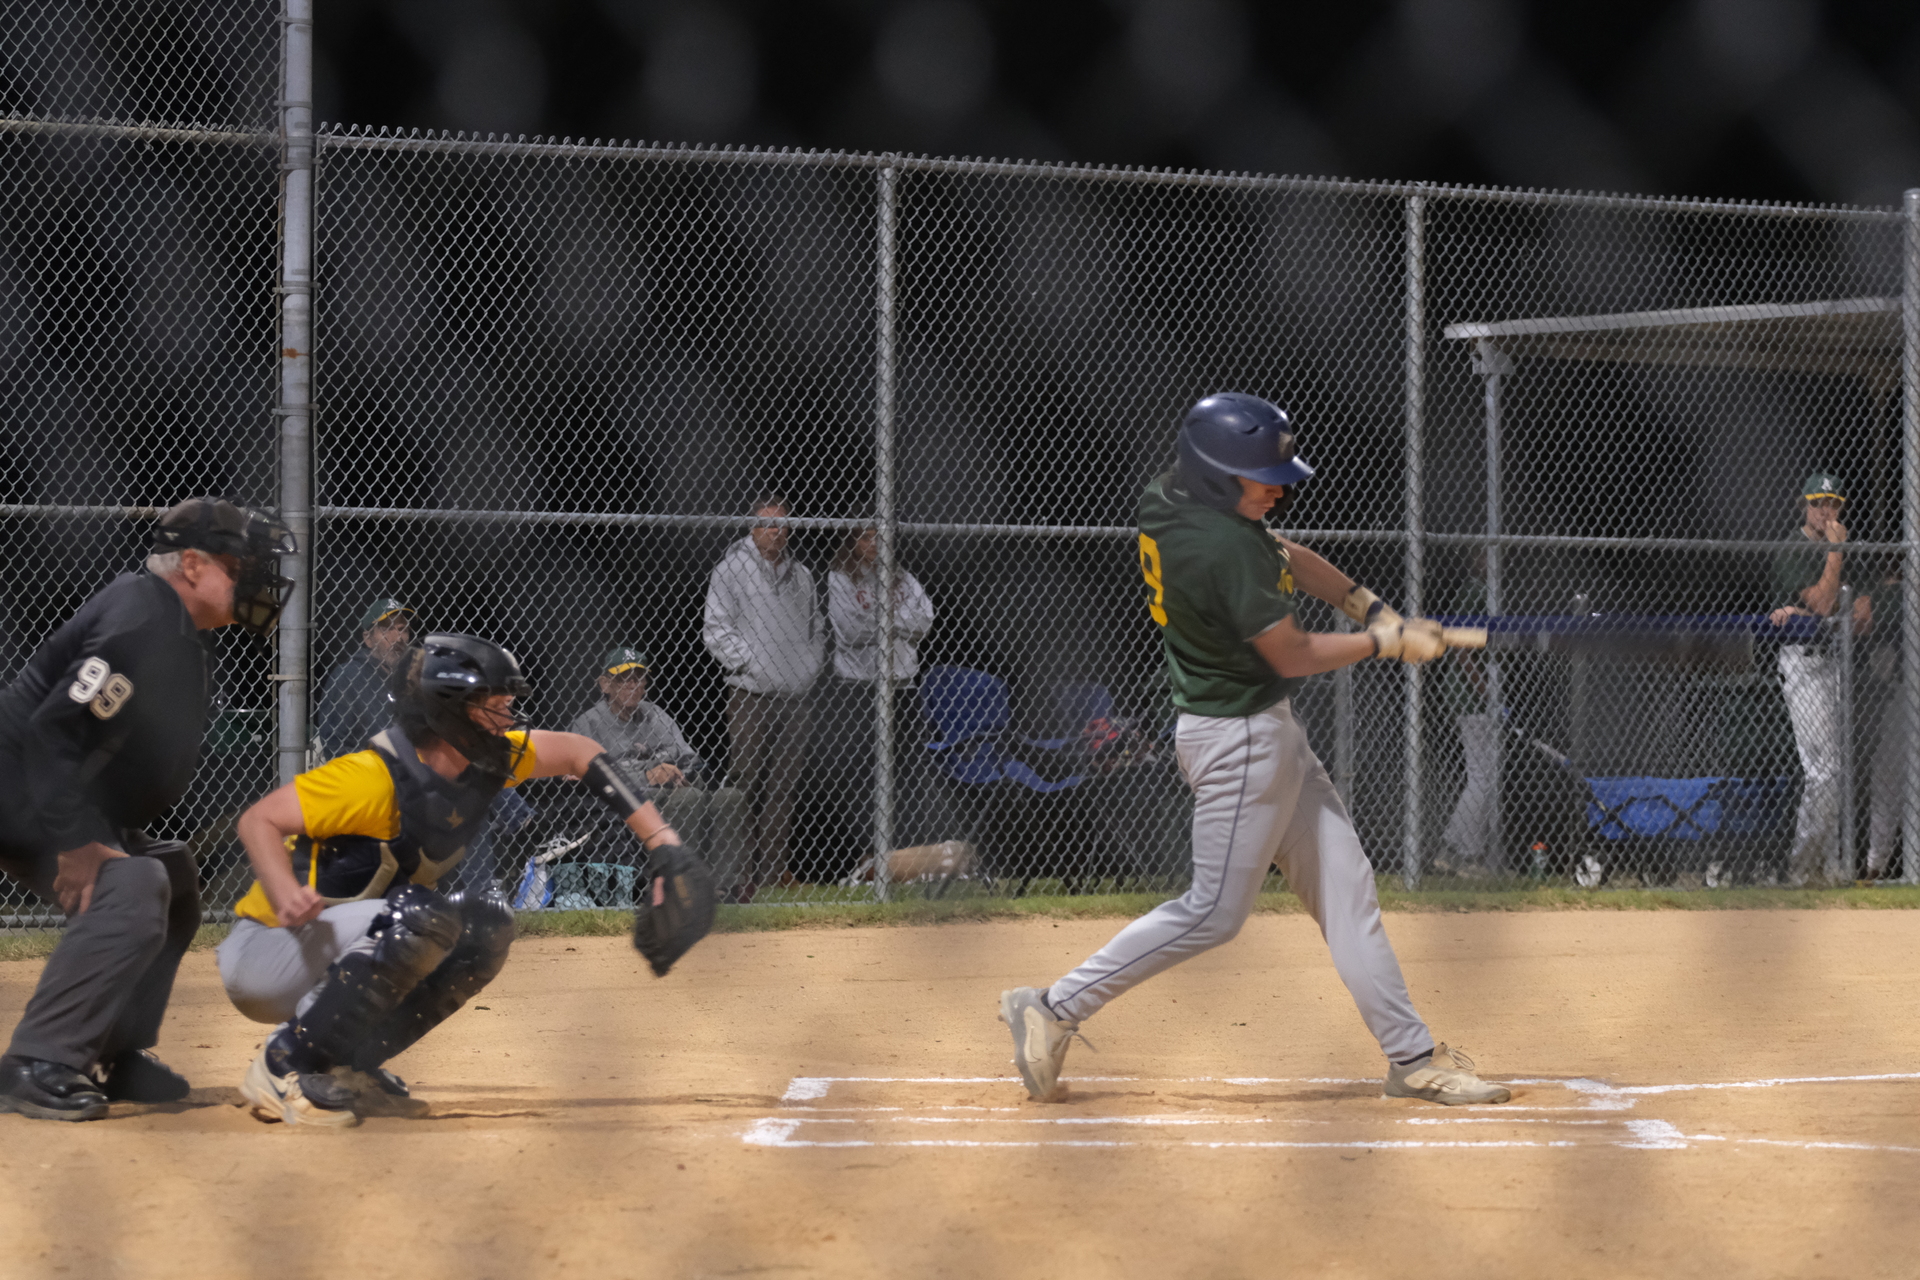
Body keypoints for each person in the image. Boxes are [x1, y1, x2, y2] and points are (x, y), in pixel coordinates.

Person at [997, 393, 1510, 1108]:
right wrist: (1384, 643)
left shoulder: (1170, 496)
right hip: (1237, 740)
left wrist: (1370, 607)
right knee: (1214, 912)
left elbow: (1286, 554)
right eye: (1261, 478)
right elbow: (1292, 654)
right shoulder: (1222, 548)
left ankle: (1412, 1058)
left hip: (1264, 731)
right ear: (1216, 478)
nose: (1278, 489)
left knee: (1346, 890)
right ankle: (1054, 1007)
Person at [217, 633, 692, 1127]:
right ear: (451, 713)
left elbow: (580, 752)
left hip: (343, 943)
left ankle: (347, 1066)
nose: (509, 718)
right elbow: (258, 820)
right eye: (496, 707)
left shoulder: (482, 765)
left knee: (486, 926)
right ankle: (282, 1065)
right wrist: (284, 892)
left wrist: (661, 840)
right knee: (421, 918)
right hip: (271, 950)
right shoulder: (372, 777)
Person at [0, 498, 296, 1121]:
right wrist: (79, 842)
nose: (254, 583)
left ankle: (113, 1050)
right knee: (132, 884)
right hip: (20, 787)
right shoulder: (142, 618)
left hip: (45, 788)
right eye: (239, 568)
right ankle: (37, 1061)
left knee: (174, 873)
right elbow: (52, 730)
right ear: (191, 564)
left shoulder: (174, 625)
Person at [702, 494, 824, 899]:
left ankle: (772, 875)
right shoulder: (730, 569)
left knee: (783, 788)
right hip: (750, 695)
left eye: (783, 524)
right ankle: (739, 874)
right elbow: (715, 629)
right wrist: (752, 664)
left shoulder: (802, 574)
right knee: (746, 784)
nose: (777, 531)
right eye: (769, 524)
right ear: (752, 529)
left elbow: (816, 630)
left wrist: (806, 669)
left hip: (794, 697)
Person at [567, 646, 747, 892]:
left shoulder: (657, 715)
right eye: (624, 678)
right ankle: (682, 887)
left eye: (639, 678)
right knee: (688, 799)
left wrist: (682, 773)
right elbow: (586, 779)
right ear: (605, 685)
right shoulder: (588, 724)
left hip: (675, 790)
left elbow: (690, 758)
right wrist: (646, 776)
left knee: (731, 797)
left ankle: (723, 888)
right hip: (627, 801)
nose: (633, 685)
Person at [1768, 473, 1873, 886]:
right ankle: (1801, 867)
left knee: (1838, 770)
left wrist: (1812, 612)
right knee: (1824, 770)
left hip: (1836, 663)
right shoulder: (1792, 548)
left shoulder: (1846, 549)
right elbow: (1828, 603)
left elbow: (1862, 616)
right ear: (1804, 506)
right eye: (1817, 503)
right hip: (1803, 663)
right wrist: (1834, 554)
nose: (1826, 511)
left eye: (1833, 503)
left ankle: (1827, 869)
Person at [820, 526, 936, 857]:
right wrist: (899, 621)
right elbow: (851, 630)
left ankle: (903, 856)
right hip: (859, 689)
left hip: (902, 687)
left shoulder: (902, 576)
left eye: (879, 536)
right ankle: (866, 858)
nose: (874, 544)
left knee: (908, 776)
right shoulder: (840, 578)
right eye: (865, 537)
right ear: (851, 541)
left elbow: (926, 620)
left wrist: (884, 620)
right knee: (863, 776)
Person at [1436, 551, 1499, 878]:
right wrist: (1485, 689)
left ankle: (1451, 849)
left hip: (1468, 693)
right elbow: (1460, 647)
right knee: (1483, 777)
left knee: (1484, 775)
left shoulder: (1483, 591)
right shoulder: (1476, 590)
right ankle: (1468, 855)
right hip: (1469, 694)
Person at [315, 597, 414, 758]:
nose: (398, 638)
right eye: (387, 629)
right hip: (368, 771)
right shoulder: (349, 677)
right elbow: (335, 747)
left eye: (403, 629)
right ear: (368, 639)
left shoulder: (411, 678)